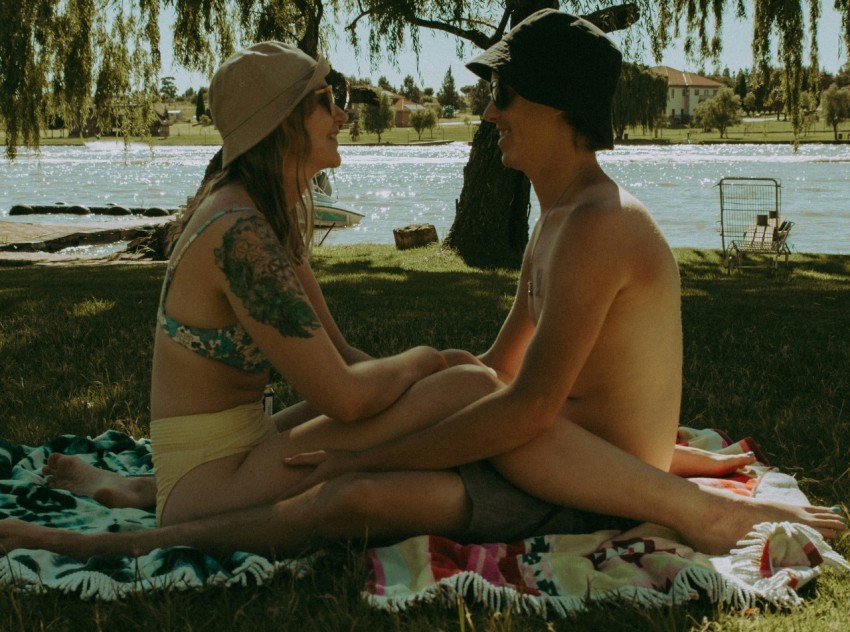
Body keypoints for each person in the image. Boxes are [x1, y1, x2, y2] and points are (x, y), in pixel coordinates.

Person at [1, 13, 844, 560]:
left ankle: (133, 528)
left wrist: (676, 480)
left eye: (501, 93)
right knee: (438, 395)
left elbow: (521, 406)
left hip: (567, 474)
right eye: (328, 101)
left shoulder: (595, 227)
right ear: (288, 122)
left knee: (373, 468)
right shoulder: (558, 222)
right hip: (546, 464)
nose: (485, 111)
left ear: (552, 105)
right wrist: (423, 383)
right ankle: (155, 503)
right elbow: (498, 380)